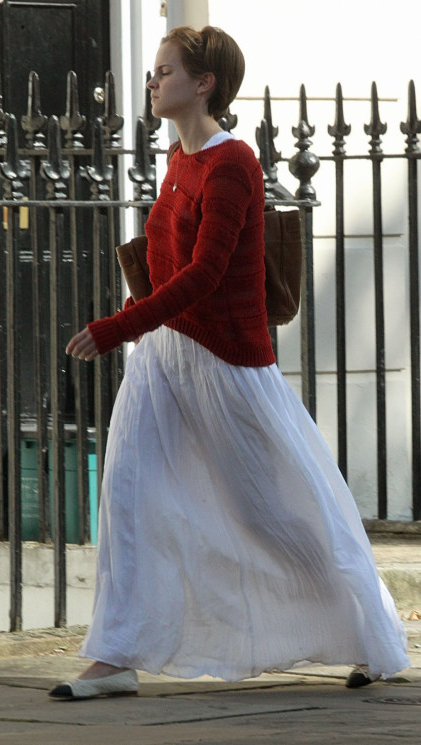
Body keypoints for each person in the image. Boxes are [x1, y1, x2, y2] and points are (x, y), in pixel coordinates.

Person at [49, 25, 409, 700]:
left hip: (226, 364)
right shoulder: (177, 161)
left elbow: (206, 274)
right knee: (127, 495)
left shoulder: (232, 163)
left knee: (278, 510)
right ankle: (115, 654)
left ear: (204, 83)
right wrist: (140, 332)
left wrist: (115, 326)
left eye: (164, 71)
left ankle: (373, 636)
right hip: (163, 360)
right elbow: (162, 270)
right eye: (153, 72)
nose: (152, 81)